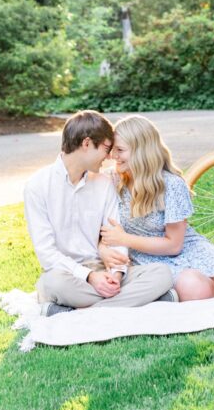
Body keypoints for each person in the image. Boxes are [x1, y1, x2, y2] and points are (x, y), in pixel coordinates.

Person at [23, 110, 174, 316]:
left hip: (105, 268)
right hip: (69, 274)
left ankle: (77, 312)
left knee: (162, 274)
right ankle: (139, 300)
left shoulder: (103, 182)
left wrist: (116, 276)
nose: (110, 156)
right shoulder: (37, 186)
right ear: (86, 144)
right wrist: (90, 277)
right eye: (106, 148)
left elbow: (114, 233)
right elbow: (47, 254)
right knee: (51, 284)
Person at [99, 116, 214, 301]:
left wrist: (125, 238)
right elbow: (94, 228)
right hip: (148, 258)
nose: (113, 156)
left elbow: (175, 245)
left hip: (186, 248)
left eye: (120, 150)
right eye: (112, 150)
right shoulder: (111, 181)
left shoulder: (171, 184)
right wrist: (104, 249)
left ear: (142, 151)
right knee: (198, 289)